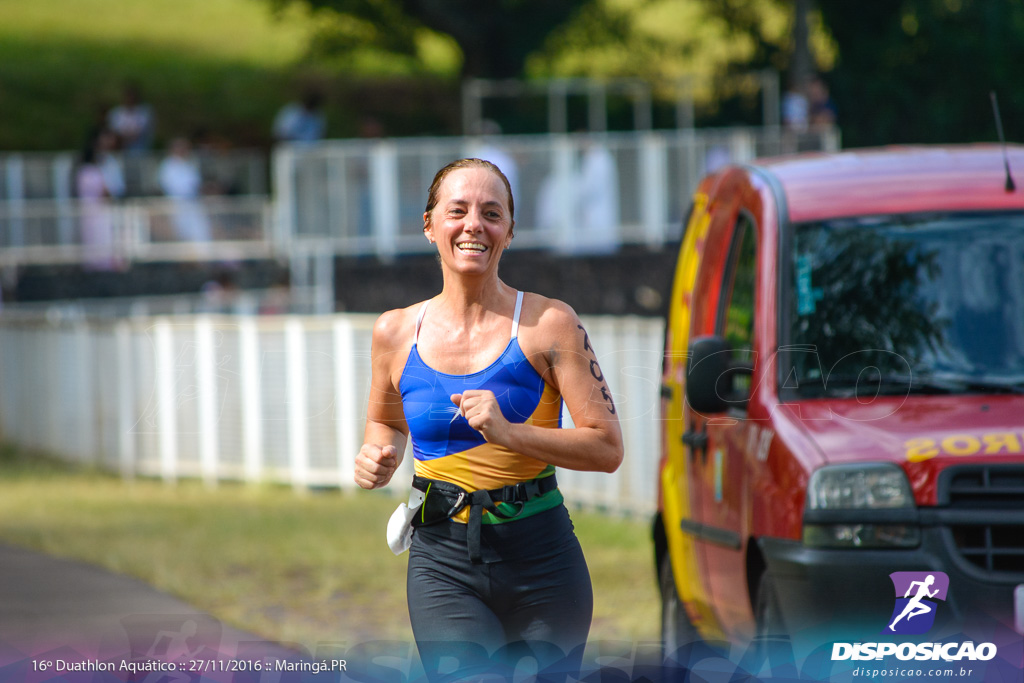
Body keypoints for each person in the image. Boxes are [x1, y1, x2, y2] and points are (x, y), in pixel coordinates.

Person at [354, 158, 624, 681]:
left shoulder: (550, 325)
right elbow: (383, 423)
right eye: (458, 211)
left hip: (542, 558)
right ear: (430, 226)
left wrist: (510, 434)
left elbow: (607, 448)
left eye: (491, 213)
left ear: (509, 232)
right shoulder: (393, 332)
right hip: (442, 560)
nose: (474, 224)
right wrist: (376, 455)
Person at [158, 137, 211, 246]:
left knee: (200, 233)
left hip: (192, 205)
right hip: (176, 206)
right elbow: (171, 187)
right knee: (181, 236)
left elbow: (195, 185)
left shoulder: (189, 165)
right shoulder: (168, 166)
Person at [107, 83, 155, 154]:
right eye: (128, 96)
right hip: (119, 148)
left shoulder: (144, 112)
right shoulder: (115, 113)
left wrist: (127, 135)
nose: (130, 99)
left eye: (132, 96)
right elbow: (113, 133)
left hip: (139, 148)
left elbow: (140, 132)